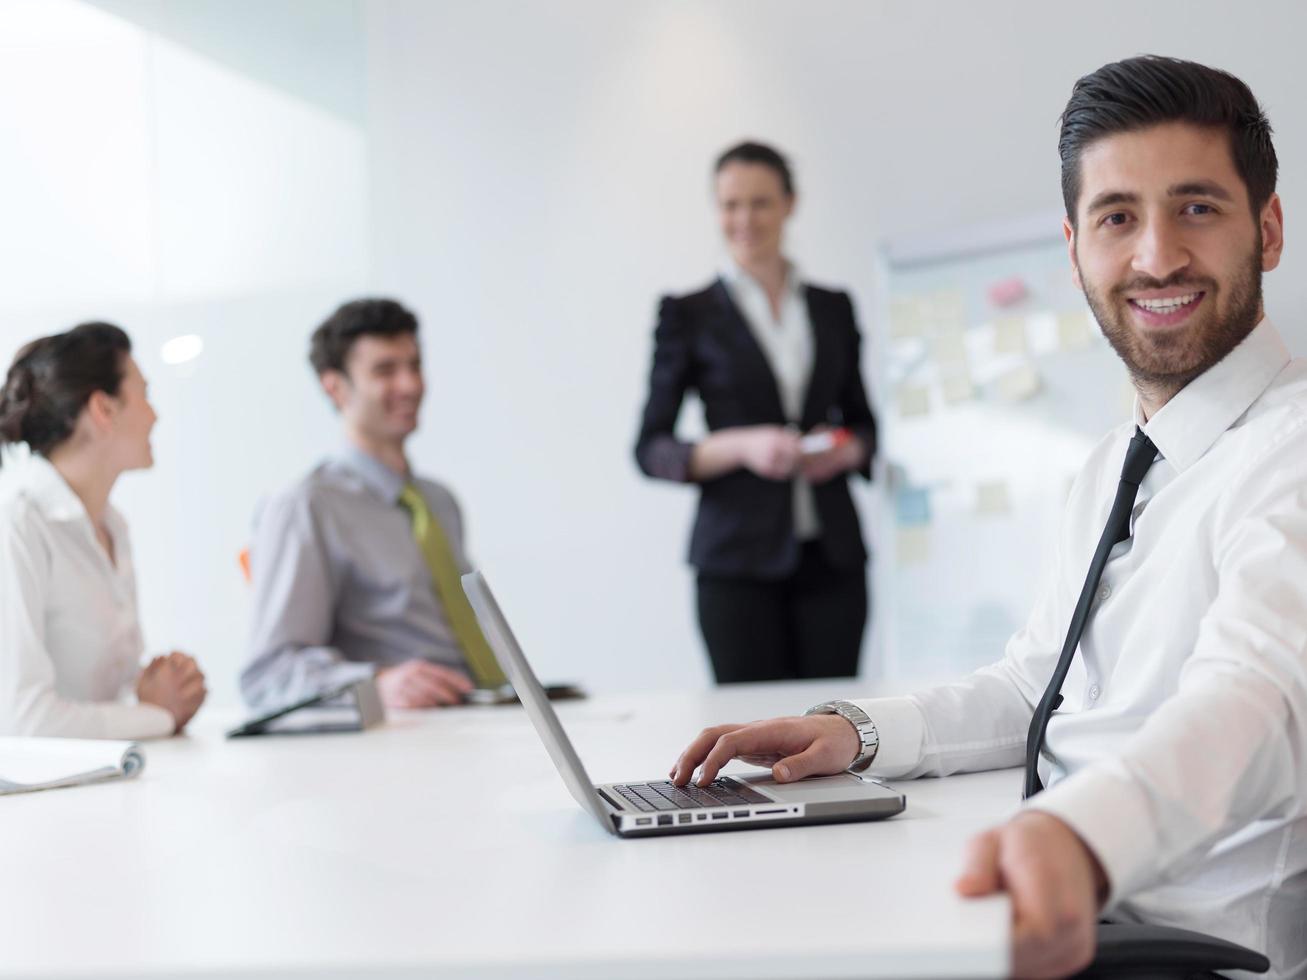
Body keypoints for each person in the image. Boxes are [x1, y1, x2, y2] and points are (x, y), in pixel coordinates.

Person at [669, 56, 1307, 980]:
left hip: (1182, 952)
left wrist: (1080, 838)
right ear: (1074, 247)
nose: (1156, 256)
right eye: (1117, 217)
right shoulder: (1108, 469)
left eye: (1197, 208)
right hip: (1074, 909)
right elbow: (1034, 686)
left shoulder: (1292, 451)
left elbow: (1260, 697)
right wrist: (856, 731)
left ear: (1268, 228)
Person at [634, 141, 877, 684]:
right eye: (730, 205)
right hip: (735, 565)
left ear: (789, 204)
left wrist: (845, 451)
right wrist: (742, 446)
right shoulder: (687, 314)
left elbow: (865, 425)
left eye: (760, 203)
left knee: (833, 724)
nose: (744, 219)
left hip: (834, 560)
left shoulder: (832, 307)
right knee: (751, 733)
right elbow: (651, 447)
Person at [241, 298, 502, 712]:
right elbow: (270, 673)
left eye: (414, 365)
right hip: (410, 738)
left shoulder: (439, 502)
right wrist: (376, 685)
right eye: (385, 370)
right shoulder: (306, 507)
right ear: (335, 387)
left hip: (488, 713)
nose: (411, 385)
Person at [0, 322, 207, 738]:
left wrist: (161, 689)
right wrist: (158, 714)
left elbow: (93, 700)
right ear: (104, 409)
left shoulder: (113, 527)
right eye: (145, 395)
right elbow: (20, 719)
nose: (155, 415)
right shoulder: (17, 522)